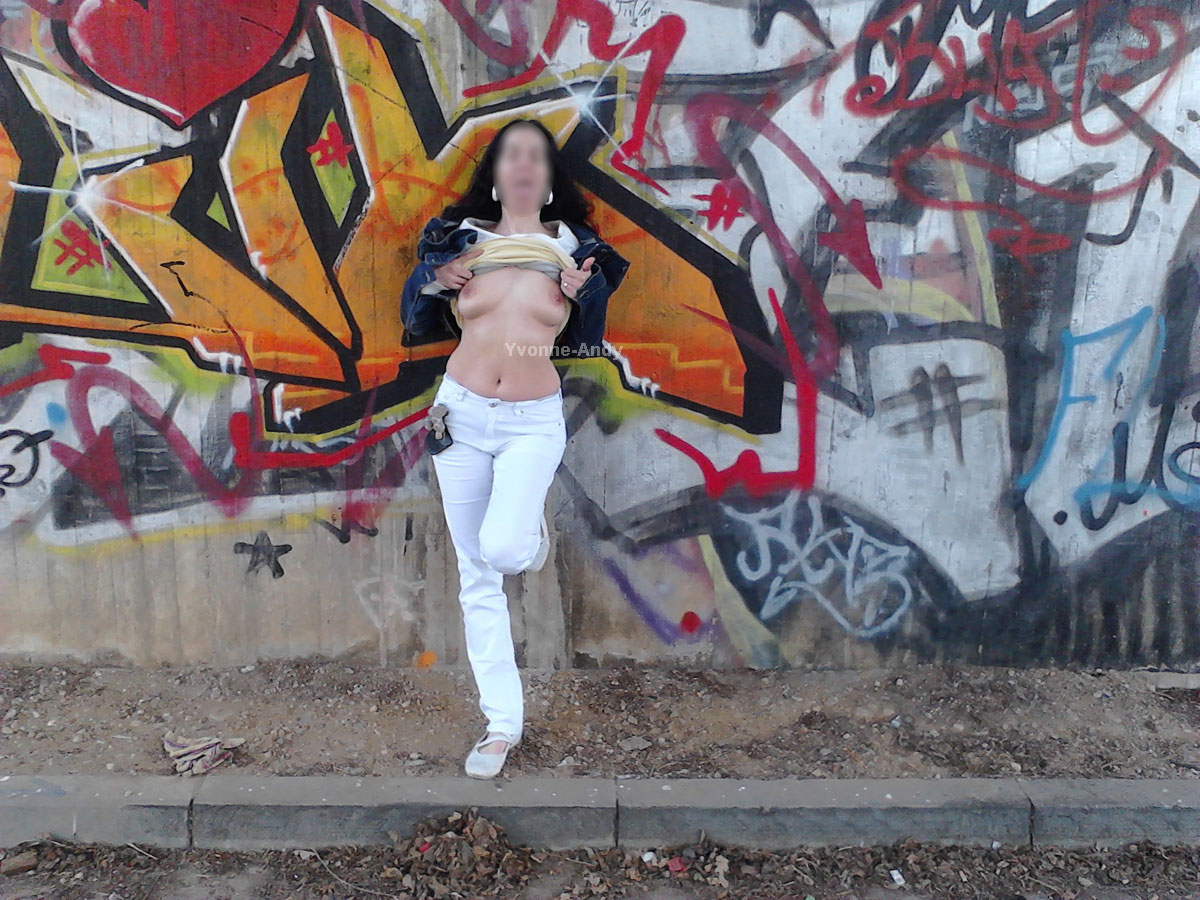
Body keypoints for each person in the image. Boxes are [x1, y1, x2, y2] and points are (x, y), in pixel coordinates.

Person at [399, 118, 630, 778]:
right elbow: (413, 318)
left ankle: (528, 537)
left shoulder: (575, 249)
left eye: (536, 156)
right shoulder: (458, 239)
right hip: (461, 416)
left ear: (549, 178)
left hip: (532, 421)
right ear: (496, 177)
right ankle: (501, 724)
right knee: (478, 577)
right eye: (511, 156)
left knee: (503, 551)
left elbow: (586, 340)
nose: (524, 165)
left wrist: (586, 295)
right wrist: (436, 278)